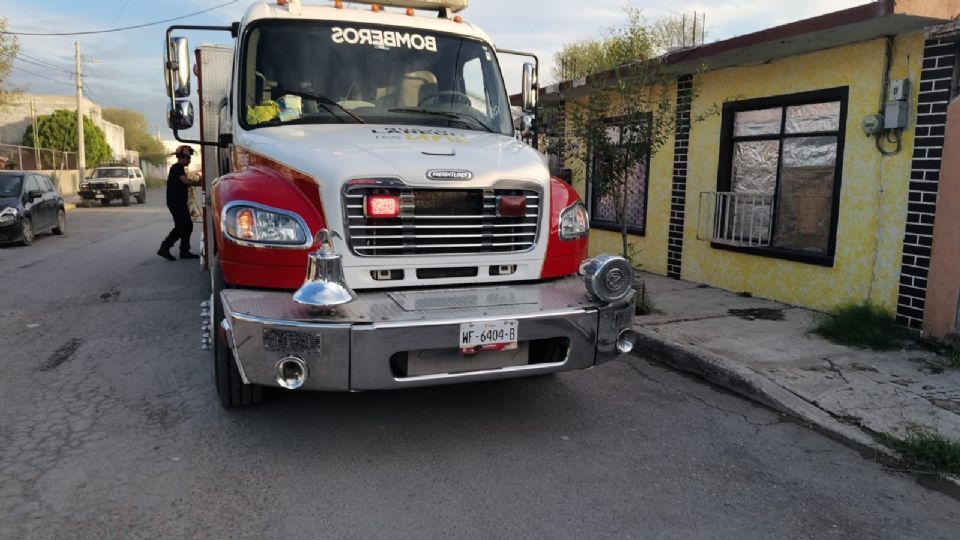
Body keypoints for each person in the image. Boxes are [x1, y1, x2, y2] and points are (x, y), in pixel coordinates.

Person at [157, 145, 201, 261]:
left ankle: (184, 251)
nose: (190, 160)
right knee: (181, 226)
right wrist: (199, 183)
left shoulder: (179, 168)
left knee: (187, 226)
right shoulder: (177, 168)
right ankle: (165, 247)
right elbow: (185, 181)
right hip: (175, 202)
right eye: (188, 157)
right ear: (183, 157)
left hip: (179, 202)